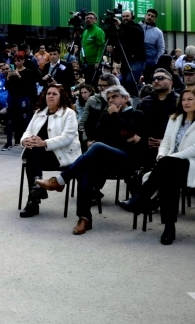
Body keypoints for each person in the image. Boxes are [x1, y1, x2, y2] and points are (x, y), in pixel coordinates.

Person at [120, 87, 195, 245]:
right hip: (168, 167)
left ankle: (142, 198)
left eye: (190, 99)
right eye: (184, 99)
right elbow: (165, 142)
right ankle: (168, 227)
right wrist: (161, 156)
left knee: (168, 169)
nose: (186, 102)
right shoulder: (175, 119)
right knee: (169, 180)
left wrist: (166, 160)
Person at [59, 86, 147, 234]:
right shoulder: (107, 115)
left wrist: (114, 118)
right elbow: (98, 133)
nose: (111, 100)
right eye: (109, 98)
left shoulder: (137, 114)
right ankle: (84, 217)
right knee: (87, 167)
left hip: (128, 161)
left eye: (115, 97)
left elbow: (128, 129)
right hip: (108, 161)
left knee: (98, 147)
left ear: (125, 98)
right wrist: (109, 118)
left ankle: (62, 179)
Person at [19, 84, 82, 218]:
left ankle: (33, 201)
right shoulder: (39, 112)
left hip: (61, 155)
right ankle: (37, 189)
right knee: (32, 150)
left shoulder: (68, 113)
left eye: (54, 94)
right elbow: (28, 131)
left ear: (61, 97)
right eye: (48, 93)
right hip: (39, 155)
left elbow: (67, 138)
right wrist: (25, 141)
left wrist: (44, 143)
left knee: (34, 151)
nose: (51, 96)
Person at [136, 68, 177, 165]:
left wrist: (165, 143)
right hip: (147, 148)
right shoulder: (145, 102)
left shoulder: (179, 101)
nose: (156, 81)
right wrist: (145, 141)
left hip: (172, 149)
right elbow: (139, 126)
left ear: (170, 82)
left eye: (160, 78)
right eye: (154, 79)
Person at [119, 10, 145, 96]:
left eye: (127, 16)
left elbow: (134, 32)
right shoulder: (121, 30)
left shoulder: (137, 27)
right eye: (123, 16)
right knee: (125, 83)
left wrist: (121, 25)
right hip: (125, 61)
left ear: (132, 17)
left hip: (137, 60)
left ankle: (135, 100)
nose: (125, 18)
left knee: (129, 81)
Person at [79, 13, 105, 83]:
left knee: (95, 83)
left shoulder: (98, 31)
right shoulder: (85, 32)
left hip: (94, 64)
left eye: (91, 18)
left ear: (95, 20)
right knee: (87, 83)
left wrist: (98, 61)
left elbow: (101, 47)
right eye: (87, 18)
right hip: (85, 63)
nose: (88, 19)